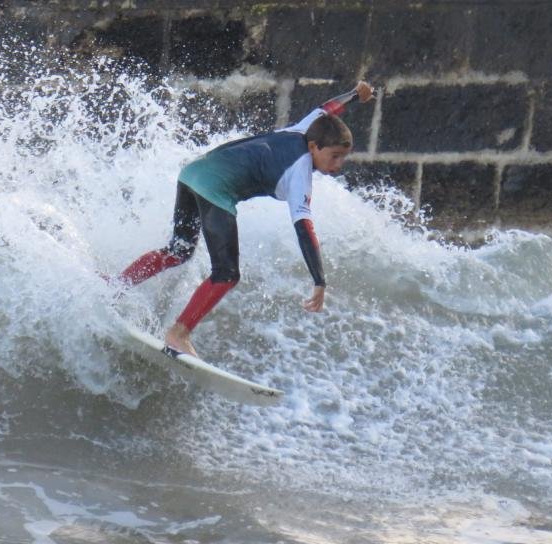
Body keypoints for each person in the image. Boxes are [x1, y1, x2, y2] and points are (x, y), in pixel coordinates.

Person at [117, 80, 375, 357]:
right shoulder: (300, 173)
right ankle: (178, 334)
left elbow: (326, 109)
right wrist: (319, 281)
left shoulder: (305, 128)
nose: (338, 164)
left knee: (178, 251)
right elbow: (304, 229)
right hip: (214, 190)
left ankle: (116, 287)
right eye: (334, 156)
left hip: (192, 173)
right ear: (314, 147)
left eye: (343, 157)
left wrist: (354, 95)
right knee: (226, 274)